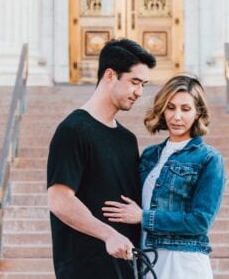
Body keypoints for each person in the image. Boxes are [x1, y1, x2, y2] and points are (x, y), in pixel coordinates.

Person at [46, 38, 156, 278]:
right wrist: (108, 234)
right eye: (134, 82)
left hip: (126, 269)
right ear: (109, 75)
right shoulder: (73, 130)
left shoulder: (127, 139)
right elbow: (59, 199)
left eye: (144, 84)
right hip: (85, 269)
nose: (139, 92)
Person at [102, 75, 225, 279]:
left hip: (183, 262)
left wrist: (143, 217)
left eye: (185, 109)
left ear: (198, 113)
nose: (177, 117)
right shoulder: (150, 155)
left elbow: (201, 221)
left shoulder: (209, 159)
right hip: (147, 259)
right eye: (171, 107)